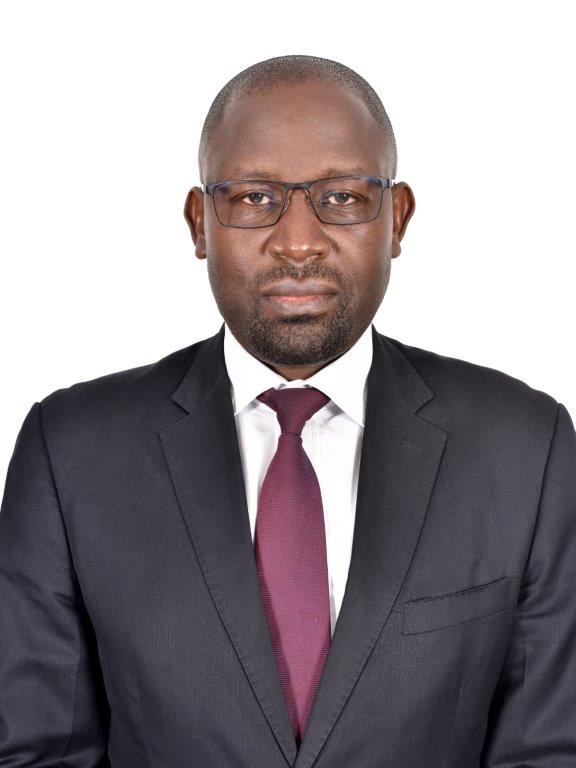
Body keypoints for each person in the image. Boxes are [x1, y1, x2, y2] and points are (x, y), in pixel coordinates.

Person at [0, 54, 575, 768]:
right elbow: (36, 754)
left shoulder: (525, 449)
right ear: (200, 223)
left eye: (341, 197)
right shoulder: (69, 454)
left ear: (396, 219)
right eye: (254, 197)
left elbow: (551, 752)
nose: (298, 243)